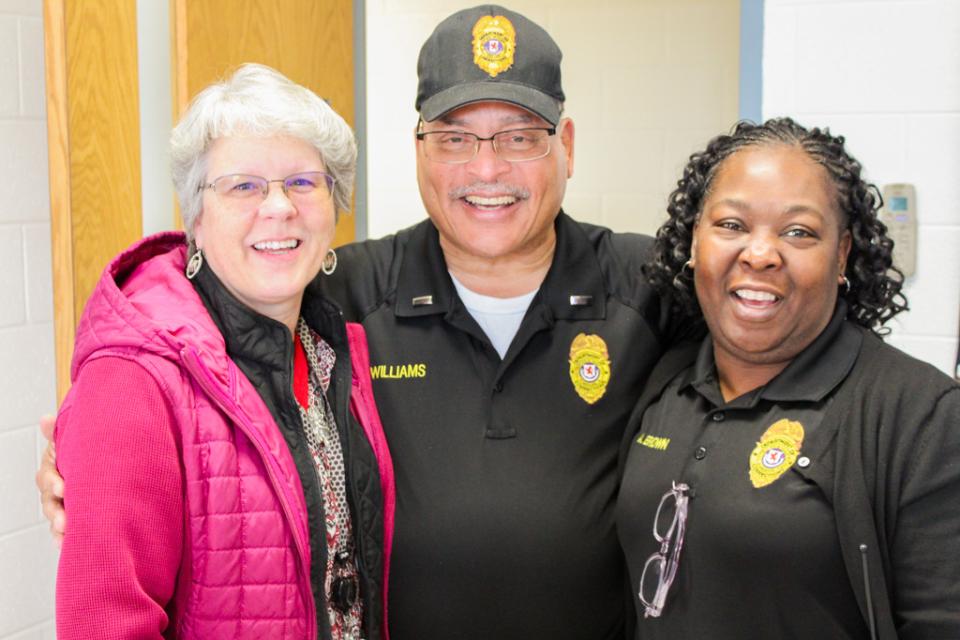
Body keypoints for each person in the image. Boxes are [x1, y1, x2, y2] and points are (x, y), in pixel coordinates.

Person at [41, 6, 685, 638]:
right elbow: (187, 330)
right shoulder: (340, 295)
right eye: (455, 138)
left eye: (520, 137)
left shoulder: (654, 286)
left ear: (565, 147)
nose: (487, 170)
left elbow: (762, 368)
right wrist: (95, 447)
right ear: (419, 151)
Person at [51, 64, 394, 640]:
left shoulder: (339, 351)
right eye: (244, 186)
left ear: (335, 207)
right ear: (197, 221)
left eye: (304, 182)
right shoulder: (133, 378)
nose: (280, 207)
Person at [615, 118, 960, 639]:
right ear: (693, 240)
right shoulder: (665, 380)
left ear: (841, 254)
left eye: (798, 232)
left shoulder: (919, 415)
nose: (760, 254)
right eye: (731, 225)